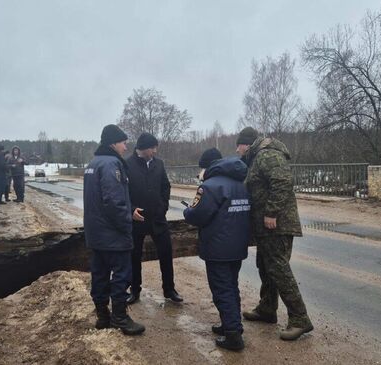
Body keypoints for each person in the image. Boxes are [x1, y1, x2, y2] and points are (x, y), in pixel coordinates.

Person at [236, 127, 313, 341]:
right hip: (267, 226)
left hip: (276, 224)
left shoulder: (268, 154)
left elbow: (283, 182)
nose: (237, 149)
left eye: (239, 145)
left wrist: (271, 212)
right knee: (265, 266)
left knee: (278, 269)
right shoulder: (256, 157)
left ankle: (300, 318)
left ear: (248, 143)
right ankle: (267, 308)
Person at [183, 148, 250, 351]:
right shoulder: (240, 184)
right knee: (231, 286)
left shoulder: (210, 187)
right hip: (237, 245)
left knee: (222, 289)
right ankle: (232, 324)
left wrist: (188, 210)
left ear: (207, 167)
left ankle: (233, 335)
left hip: (218, 247)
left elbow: (197, 215)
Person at [84, 124, 145, 336]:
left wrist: (129, 210)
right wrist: (126, 224)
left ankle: (103, 316)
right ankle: (120, 317)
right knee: (121, 275)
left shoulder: (93, 163)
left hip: (96, 234)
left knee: (99, 274)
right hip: (113, 235)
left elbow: (101, 200)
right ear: (113, 143)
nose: (126, 147)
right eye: (123, 142)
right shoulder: (112, 165)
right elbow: (112, 200)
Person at [126, 133, 182, 304]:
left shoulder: (159, 164)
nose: (155, 151)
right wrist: (131, 210)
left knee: (166, 253)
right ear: (144, 149)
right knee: (134, 256)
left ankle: (169, 289)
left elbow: (166, 186)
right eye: (153, 148)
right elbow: (122, 192)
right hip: (137, 219)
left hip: (158, 218)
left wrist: (163, 206)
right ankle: (134, 290)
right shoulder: (127, 164)